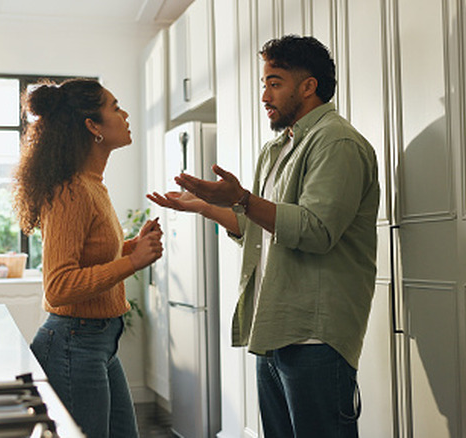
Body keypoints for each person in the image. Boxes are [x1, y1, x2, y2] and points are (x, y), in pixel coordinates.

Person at [148, 35, 379, 437]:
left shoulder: (336, 142)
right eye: (264, 83)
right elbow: (261, 231)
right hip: (274, 328)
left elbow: (316, 230)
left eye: (275, 82)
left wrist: (240, 197)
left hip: (316, 336)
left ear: (308, 86)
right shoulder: (277, 149)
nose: (264, 95)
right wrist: (207, 207)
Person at [14, 78, 163, 438]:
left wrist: (131, 247)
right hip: (72, 344)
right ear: (93, 127)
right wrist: (132, 262)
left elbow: (90, 256)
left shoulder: (90, 183)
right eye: (115, 107)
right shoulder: (72, 190)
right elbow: (59, 286)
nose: (125, 114)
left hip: (96, 341)